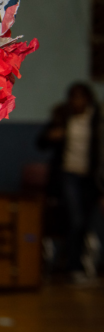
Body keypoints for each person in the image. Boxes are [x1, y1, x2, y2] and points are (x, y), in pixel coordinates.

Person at [37, 82, 103, 280]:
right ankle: (72, 268)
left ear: (88, 99)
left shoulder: (96, 120)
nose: (77, 102)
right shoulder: (63, 116)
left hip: (90, 177)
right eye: (73, 97)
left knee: (85, 224)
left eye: (81, 97)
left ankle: (77, 265)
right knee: (75, 220)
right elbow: (40, 142)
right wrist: (52, 136)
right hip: (67, 175)